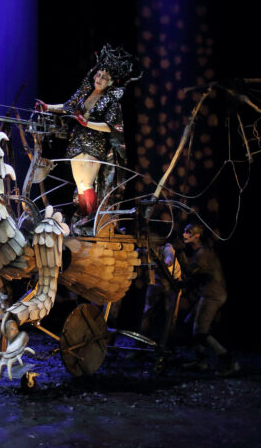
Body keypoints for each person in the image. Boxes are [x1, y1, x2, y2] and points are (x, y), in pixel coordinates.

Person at [36, 44, 138, 219]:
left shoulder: (111, 100)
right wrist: (47, 107)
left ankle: (92, 221)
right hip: (76, 143)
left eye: (104, 77)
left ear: (110, 82)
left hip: (94, 144)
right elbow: (67, 106)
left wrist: (86, 122)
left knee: (86, 183)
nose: (99, 78)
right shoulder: (85, 93)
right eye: (99, 74)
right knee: (80, 187)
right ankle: (84, 221)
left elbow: (109, 126)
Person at [174, 223, 240, 376]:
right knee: (189, 324)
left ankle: (229, 361)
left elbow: (190, 271)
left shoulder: (203, 253)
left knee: (201, 332)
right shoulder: (201, 251)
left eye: (188, 232)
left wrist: (180, 252)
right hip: (208, 293)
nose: (184, 234)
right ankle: (201, 361)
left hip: (212, 295)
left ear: (197, 236)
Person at [139, 241, 183, 342]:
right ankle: (142, 340)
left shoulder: (167, 249)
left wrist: (164, 263)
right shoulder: (145, 250)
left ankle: (168, 341)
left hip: (173, 282)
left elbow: (169, 259)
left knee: (171, 315)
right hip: (157, 280)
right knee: (147, 311)